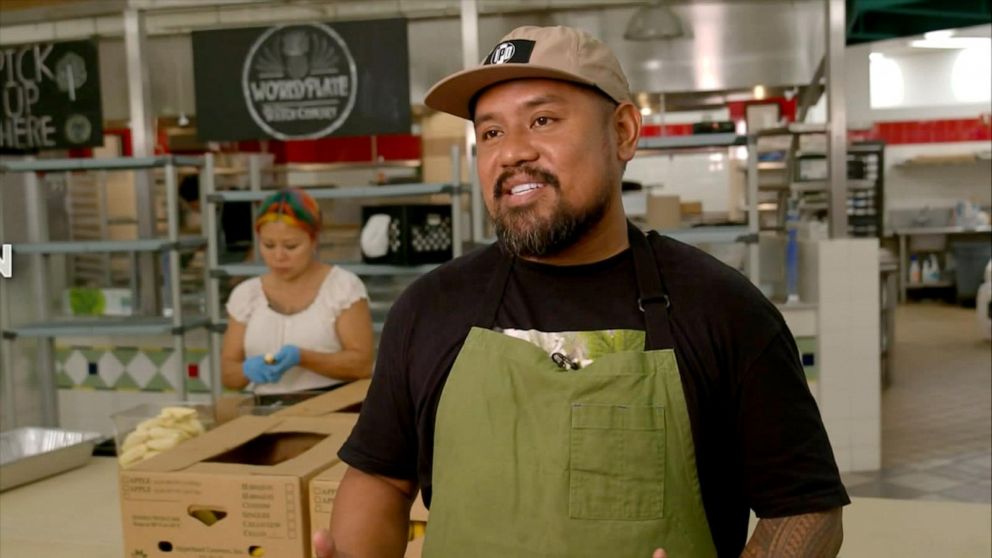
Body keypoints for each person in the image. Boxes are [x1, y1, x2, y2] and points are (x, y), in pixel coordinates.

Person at [315, 26, 848, 558]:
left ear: (622, 132)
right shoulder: (429, 308)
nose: (511, 153)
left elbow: (804, 508)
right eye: (492, 133)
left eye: (542, 120)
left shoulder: (723, 309)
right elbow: (381, 478)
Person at [221, 188, 374, 397]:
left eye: (291, 246)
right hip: (264, 411)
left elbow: (362, 365)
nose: (278, 256)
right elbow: (228, 375)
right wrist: (246, 370)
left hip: (334, 408)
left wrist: (302, 358)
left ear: (314, 240)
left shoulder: (343, 288)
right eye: (268, 245)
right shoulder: (246, 295)